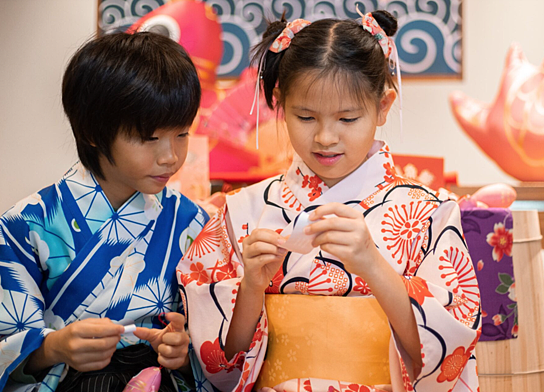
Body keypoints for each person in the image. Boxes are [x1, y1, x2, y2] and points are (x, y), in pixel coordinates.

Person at [177, 10, 481, 392]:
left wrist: (372, 263)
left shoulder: (429, 213)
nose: (325, 137)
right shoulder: (241, 212)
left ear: (383, 106)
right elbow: (218, 368)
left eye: (348, 119)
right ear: (279, 103)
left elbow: (448, 348)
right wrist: (253, 286)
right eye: (305, 117)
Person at [0, 32, 215, 392]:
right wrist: (53, 347)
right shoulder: (26, 224)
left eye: (181, 134)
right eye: (149, 138)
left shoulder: (193, 222)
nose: (170, 156)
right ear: (92, 132)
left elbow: (208, 337)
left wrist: (180, 347)